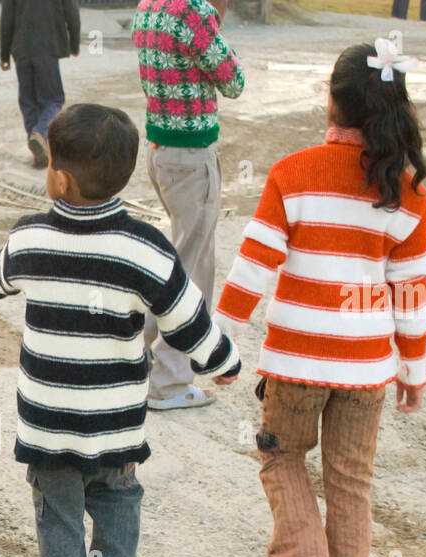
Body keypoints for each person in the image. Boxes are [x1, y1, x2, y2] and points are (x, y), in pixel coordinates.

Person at [0, 104, 241, 557]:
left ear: (59, 177)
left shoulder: (30, 239)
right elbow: (189, 321)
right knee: (119, 499)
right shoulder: (146, 248)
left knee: (59, 516)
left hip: (49, 421)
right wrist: (224, 360)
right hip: (116, 418)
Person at [213, 39, 426, 557]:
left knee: (281, 454)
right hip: (366, 368)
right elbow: (412, 294)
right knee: (350, 480)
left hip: (297, 359)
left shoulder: (293, 172)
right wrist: (413, 372)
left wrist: (219, 340)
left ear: (332, 104)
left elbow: (254, 263)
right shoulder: (407, 192)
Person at [132, 0, 244, 411]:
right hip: (192, 156)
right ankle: (169, 381)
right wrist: (216, 16)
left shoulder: (150, 5)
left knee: (174, 263)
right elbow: (234, 81)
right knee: (192, 273)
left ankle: (140, 359)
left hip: (160, 150)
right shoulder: (195, 11)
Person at [0, 0, 81, 167]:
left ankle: (38, 148)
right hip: (47, 48)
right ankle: (40, 134)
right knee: (53, 99)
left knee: (28, 102)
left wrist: (4, 55)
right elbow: (73, 14)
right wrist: (74, 44)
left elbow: (6, 20)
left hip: (21, 49)